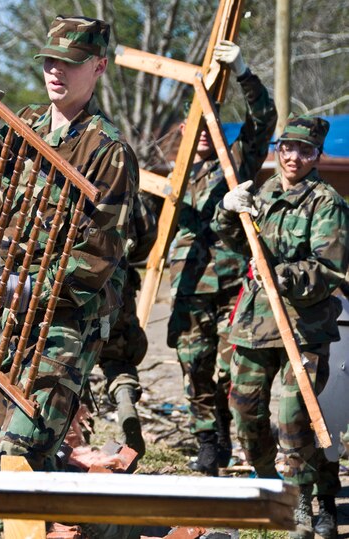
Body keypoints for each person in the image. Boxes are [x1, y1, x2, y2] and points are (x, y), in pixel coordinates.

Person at [0, 15, 138, 477]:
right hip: (11, 316)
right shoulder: (28, 124)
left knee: (23, 449)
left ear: (99, 67)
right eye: (50, 61)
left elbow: (95, 258)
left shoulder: (107, 151)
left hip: (66, 321)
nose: (57, 71)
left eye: (71, 63)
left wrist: (21, 286)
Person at [214, 114, 349, 539]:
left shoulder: (326, 202)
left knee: (295, 418)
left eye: (305, 151)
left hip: (303, 324)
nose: (293, 157)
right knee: (246, 413)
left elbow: (331, 269)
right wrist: (226, 210)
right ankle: (269, 484)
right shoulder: (262, 193)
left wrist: (282, 275)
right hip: (256, 323)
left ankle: (303, 502)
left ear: (317, 156)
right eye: (287, 148)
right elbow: (233, 241)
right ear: (278, 150)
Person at [166, 40, 277, 475]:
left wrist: (245, 74)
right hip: (189, 291)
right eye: (192, 131)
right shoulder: (174, 177)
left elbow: (263, 121)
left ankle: (241, 438)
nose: (200, 139)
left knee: (236, 372)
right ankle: (209, 443)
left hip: (232, 286)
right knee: (194, 368)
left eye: (207, 129)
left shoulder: (234, 163)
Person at [95, 191, 157, 460]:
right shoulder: (128, 188)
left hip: (74, 283)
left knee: (68, 359)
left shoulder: (71, 172)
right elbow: (148, 234)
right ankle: (125, 402)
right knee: (118, 359)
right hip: (119, 285)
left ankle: (67, 435)